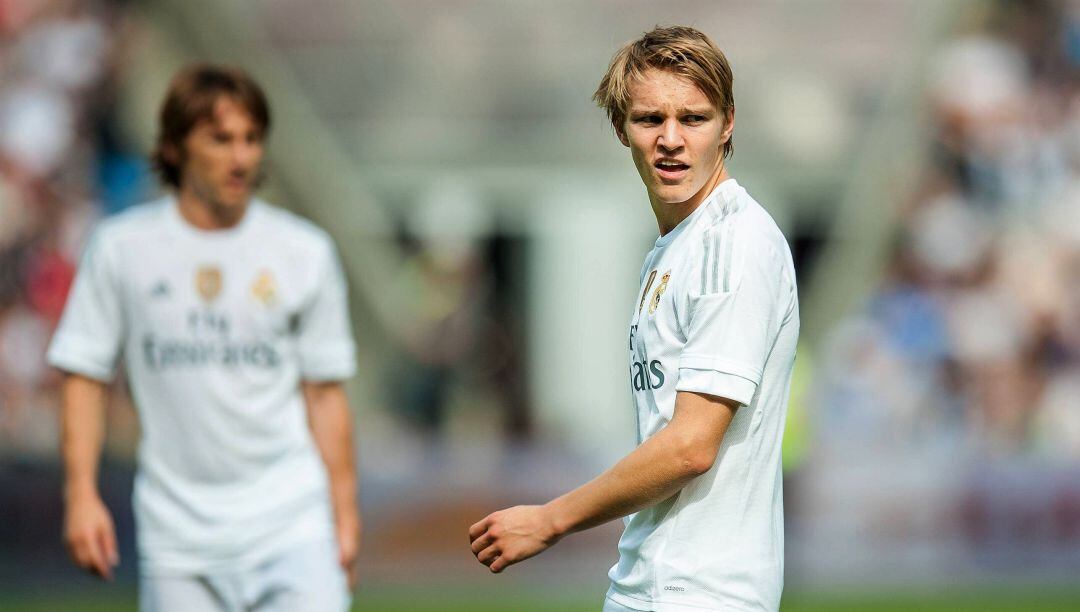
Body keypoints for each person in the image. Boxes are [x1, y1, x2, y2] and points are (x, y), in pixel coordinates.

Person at [469, 26, 798, 612]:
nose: (671, 139)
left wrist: (551, 519)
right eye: (650, 119)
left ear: (728, 124)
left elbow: (691, 446)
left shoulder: (734, 243)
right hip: (655, 582)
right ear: (621, 127)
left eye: (693, 119)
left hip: (701, 592)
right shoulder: (677, 245)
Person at [48, 64, 360, 611]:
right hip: (178, 539)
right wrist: (81, 496)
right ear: (173, 148)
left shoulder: (304, 251)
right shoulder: (122, 249)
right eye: (220, 139)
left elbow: (325, 395)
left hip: (291, 525)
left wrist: (346, 511)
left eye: (251, 139)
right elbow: (84, 374)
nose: (241, 157)